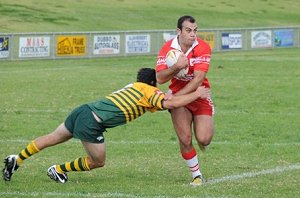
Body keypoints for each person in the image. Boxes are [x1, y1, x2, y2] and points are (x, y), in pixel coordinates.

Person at [2, 68, 210, 184]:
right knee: (98, 161)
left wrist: (171, 95)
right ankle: (57, 169)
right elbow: (170, 103)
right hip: (93, 122)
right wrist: (197, 93)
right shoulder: (148, 91)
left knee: (50, 138)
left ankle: (17, 159)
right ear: (153, 84)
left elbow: (165, 102)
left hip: (82, 110)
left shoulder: (134, 87)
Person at [155, 15, 214, 186]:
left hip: (200, 94)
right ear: (178, 31)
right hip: (178, 97)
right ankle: (197, 175)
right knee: (185, 138)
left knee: (204, 139)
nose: (193, 34)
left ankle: (205, 124)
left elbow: (197, 80)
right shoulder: (167, 48)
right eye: (188, 30)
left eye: (195, 31)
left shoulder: (203, 47)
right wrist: (176, 67)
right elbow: (160, 78)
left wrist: (176, 97)